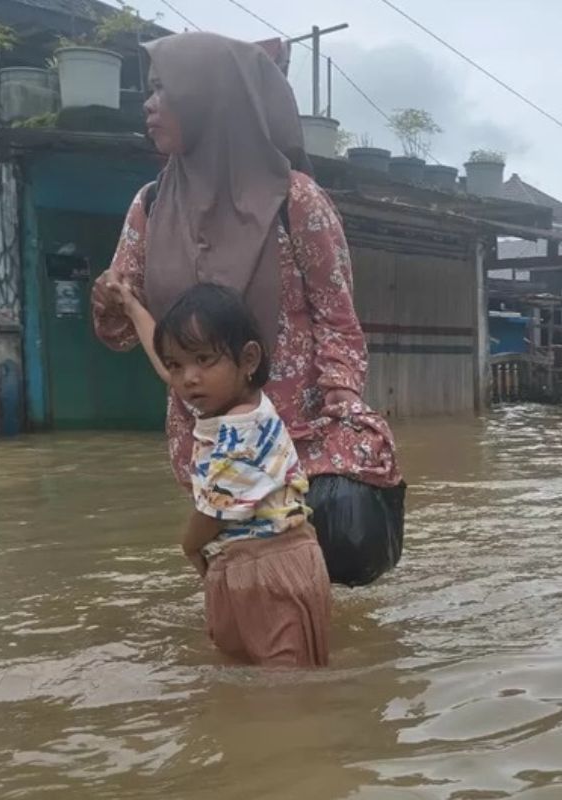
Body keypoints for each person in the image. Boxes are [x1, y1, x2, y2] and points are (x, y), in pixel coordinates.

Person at [91, 32, 404, 587]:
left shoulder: (296, 200)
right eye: (150, 91)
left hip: (297, 441)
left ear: (209, 98)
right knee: (238, 587)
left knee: (311, 587)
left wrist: (342, 406)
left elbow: (337, 318)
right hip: (207, 442)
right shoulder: (150, 206)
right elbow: (121, 328)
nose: (149, 104)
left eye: (164, 89)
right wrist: (106, 303)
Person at [119, 282, 331, 666]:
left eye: (203, 359)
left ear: (248, 359)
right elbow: (167, 361)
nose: (188, 378)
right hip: (241, 565)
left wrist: (188, 545)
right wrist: (133, 308)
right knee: (248, 677)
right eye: (177, 365)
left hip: (271, 568)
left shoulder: (242, 428)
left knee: (288, 690)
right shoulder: (228, 399)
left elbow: (215, 512)